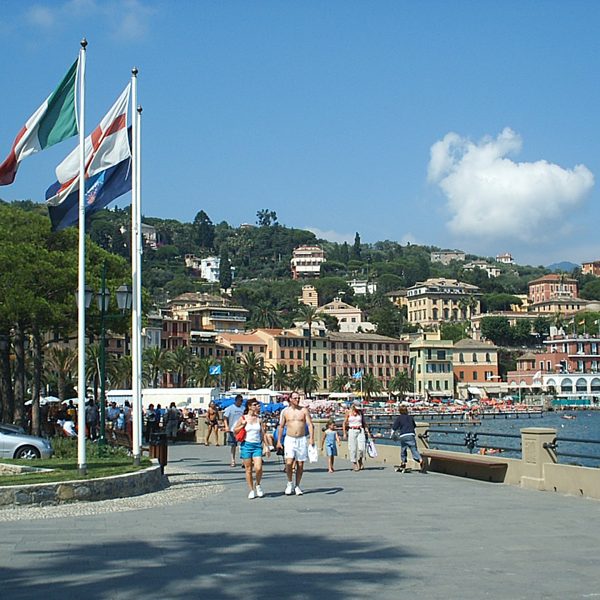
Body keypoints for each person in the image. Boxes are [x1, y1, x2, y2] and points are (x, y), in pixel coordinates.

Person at [277, 391, 314, 496]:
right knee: (288, 463)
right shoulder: (285, 412)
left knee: (300, 464)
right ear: (290, 399)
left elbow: (310, 424)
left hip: (301, 439)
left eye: (298, 398)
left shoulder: (304, 411)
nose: (297, 400)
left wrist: (311, 438)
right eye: (295, 398)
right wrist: (279, 441)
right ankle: (289, 482)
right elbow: (281, 426)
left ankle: (297, 485)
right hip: (290, 439)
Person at [233, 398, 269, 499]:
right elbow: (235, 430)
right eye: (255, 405)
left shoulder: (259, 419)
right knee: (248, 469)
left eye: (257, 405)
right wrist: (242, 426)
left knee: (258, 467)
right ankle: (251, 489)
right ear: (249, 406)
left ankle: (258, 484)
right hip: (246, 445)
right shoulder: (243, 418)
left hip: (257, 445)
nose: (257, 406)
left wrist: (266, 446)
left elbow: (263, 434)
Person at [391, 405, 425, 472]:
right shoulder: (410, 417)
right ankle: (420, 460)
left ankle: (403, 462)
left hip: (403, 435)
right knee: (414, 449)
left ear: (400, 411)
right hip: (411, 435)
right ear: (407, 410)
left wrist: (392, 435)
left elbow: (394, 428)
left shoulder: (399, 418)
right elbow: (414, 426)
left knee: (403, 449)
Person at [343, 400, 370, 471]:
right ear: (353, 406)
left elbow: (364, 422)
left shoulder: (360, 413)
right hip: (352, 430)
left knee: (362, 448)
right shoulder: (348, 412)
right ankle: (354, 463)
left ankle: (360, 460)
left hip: (360, 430)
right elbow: (344, 423)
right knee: (353, 449)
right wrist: (344, 433)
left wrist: (367, 431)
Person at [223, 395, 244, 467]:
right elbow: (225, 417)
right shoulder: (230, 408)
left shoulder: (243, 408)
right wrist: (226, 426)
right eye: (240, 400)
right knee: (233, 445)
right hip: (232, 429)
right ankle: (233, 460)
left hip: (241, 429)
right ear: (236, 400)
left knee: (242, 445)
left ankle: (243, 460)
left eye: (242, 401)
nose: (241, 402)